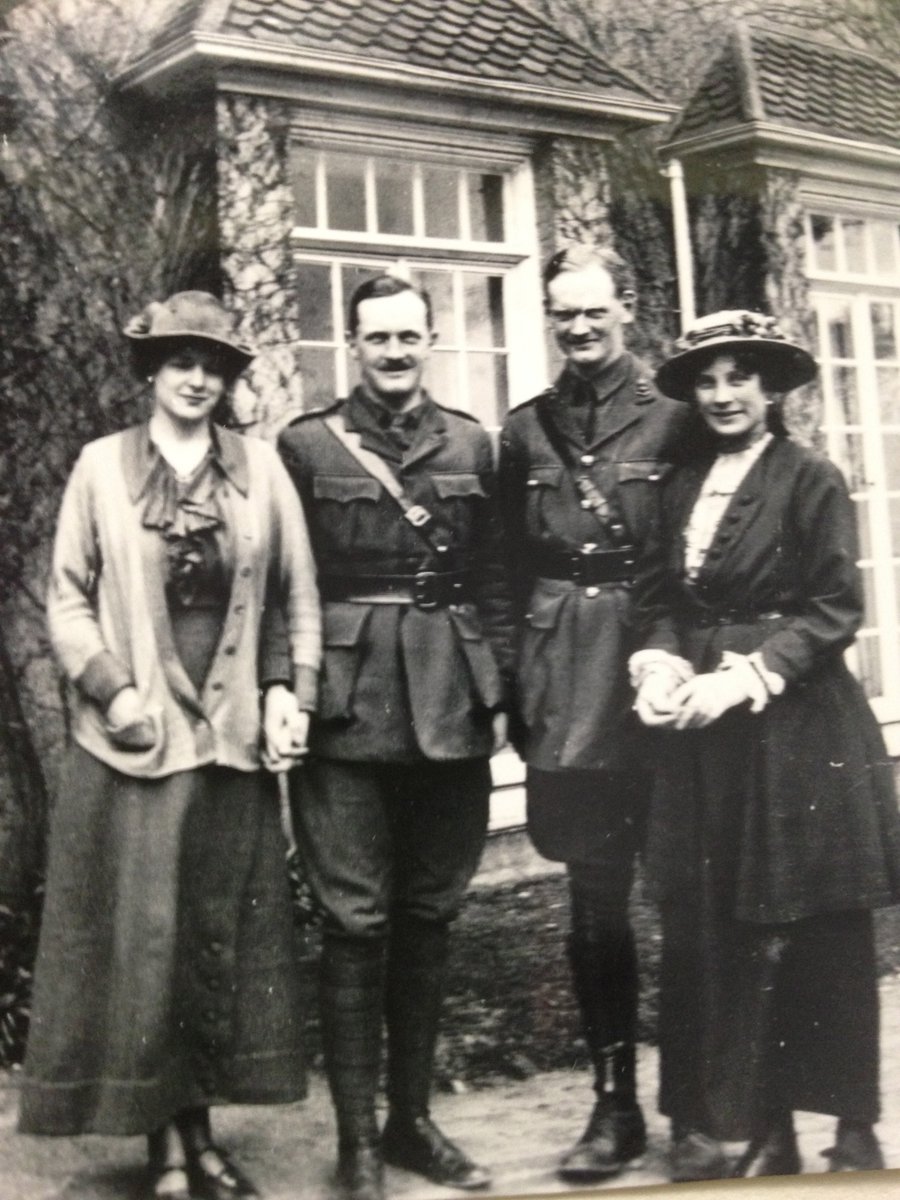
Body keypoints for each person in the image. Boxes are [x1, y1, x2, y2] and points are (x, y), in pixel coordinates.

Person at [19, 292, 321, 1200]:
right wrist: (110, 689)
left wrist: (288, 695)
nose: (197, 378)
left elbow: (294, 597)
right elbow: (67, 597)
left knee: (212, 945)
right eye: (180, 361)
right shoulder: (100, 469)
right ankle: (166, 1150)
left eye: (214, 365)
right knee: (145, 945)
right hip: (134, 745)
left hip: (228, 745)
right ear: (150, 370)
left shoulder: (261, 471)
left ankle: (206, 1139)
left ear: (230, 380)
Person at [629, 309, 900, 1181]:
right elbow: (659, 596)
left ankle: (854, 1124)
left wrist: (742, 675)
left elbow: (833, 610)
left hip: (796, 726)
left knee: (816, 922)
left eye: (740, 376)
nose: (721, 394)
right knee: (724, 922)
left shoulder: (810, 476)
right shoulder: (679, 486)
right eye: (707, 380)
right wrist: (663, 667)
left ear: (772, 387)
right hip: (705, 741)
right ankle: (767, 1122)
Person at [276, 271, 513, 1200]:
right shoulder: (304, 447)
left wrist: (501, 690)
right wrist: (283, 691)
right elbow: (282, 586)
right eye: (378, 338)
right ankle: (355, 1144)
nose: (396, 352)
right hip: (344, 708)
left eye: (411, 336)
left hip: (450, 705)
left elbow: (495, 576)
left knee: (429, 914)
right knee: (352, 921)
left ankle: (411, 1123)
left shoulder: (473, 443)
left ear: (431, 340)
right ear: (352, 344)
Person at [497, 244, 689, 1183]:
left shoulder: (676, 422)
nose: (579, 328)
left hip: (656, 678)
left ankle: (692, 1100)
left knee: (687, 891)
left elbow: (703, 556)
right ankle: (613, 1108)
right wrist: (513, 683)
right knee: (593, 905)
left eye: (594, 312)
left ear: (627, 310)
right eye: (562, 314)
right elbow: (504, 568)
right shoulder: (525, 432)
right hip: (565, 687)